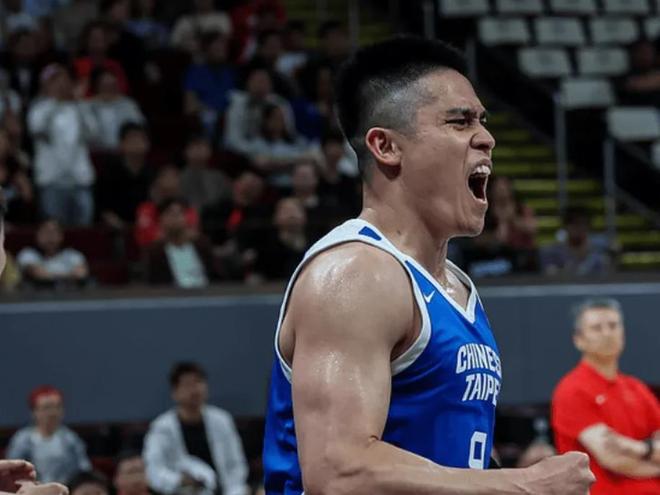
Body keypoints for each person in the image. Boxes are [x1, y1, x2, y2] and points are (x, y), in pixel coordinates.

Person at [262, 37, 594, 494]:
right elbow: (339, 472)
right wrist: (525, 485)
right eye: (460, 121)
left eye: (482, 121)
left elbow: (446, 464)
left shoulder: (455, 286)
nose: (486, 138)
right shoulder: (355, 273)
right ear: (385, 146)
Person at [552, 298, 660, 494]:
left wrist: (639, 448)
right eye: (597, 328)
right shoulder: (572, 389)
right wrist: (654, 458)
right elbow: (613, 459)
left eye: (613, 325)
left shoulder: (636, 388)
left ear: (623, 333)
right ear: (578, 339)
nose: (607, 333)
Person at [143, 362, 249, 495]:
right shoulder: (161, 428)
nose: (195, 390)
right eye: (187, 384)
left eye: (198, 382)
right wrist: (180, 480)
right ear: (175, 392)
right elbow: (154, 471)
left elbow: (237, 466)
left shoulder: (222, 420)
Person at [28, 63, 97, 226]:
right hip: (52, 181)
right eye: (55, 81)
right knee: (54, 228)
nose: (61, 84)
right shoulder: (39, 108)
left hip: (80, 180)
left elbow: (93, 134)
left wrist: (78, 102)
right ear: (45, 85)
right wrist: (55, 101)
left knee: (83, 231)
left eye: (64, 80)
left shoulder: (80, 107)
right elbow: (36, 128)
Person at [7, 386, 91, 484]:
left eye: (57, 407)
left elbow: (84, 470)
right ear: (34, 412)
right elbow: (13, 470)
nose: (52, 413)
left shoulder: (70, 439)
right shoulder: (22, 439)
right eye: (46, 408)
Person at [144, 198, 218, 288]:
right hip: (173, 295)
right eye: (171, 214)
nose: (176, 218)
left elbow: (217, 276)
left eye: (179, 214)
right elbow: (154, 284)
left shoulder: (201, 244)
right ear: (161, 219)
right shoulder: (156, 252)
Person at [96, 122, 153, 231]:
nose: (137, 143)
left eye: (141, 139)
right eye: (132, 139)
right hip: (115, 228)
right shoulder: (109, 172)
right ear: (121, 143)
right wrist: (121, 226)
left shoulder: (152, 173)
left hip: (145, 227)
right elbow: (103, 208)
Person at [16, 218, 89, 289]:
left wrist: (51, 275)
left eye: (54, 232)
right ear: (37, 235)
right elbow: (39, 275)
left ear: (61, 236)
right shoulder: (27, 254)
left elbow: (81, 274)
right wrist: (69, 276)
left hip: (69, 295)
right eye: (46, 232)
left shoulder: (73, 255)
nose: (50, 237)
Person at [540, 206, 611, 276]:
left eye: (581, 223)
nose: (577, 227)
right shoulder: (553, 253)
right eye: (573, 223)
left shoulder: (600, 251)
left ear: (589, 226)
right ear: (565, 226)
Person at [88, 67, 145, 151]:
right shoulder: (87, 106)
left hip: (125, 152)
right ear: (97, 87)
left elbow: (139, 128)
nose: (109, 90)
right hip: (96, 152)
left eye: (112, 86)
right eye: (105, 86)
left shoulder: (129, 104)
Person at [252, 197, 308, 281]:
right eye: (286, 211)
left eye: (296, 210)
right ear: (275, 218)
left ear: (305, 216)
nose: (291, 215)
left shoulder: (316, 243)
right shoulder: (266, 247)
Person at [180, 133, 231, 211]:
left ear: (210, 151)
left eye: (202, 146)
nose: (198, 150)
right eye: (194, 146)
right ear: (185, 151)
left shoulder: (219, 177)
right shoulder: (177, 176)